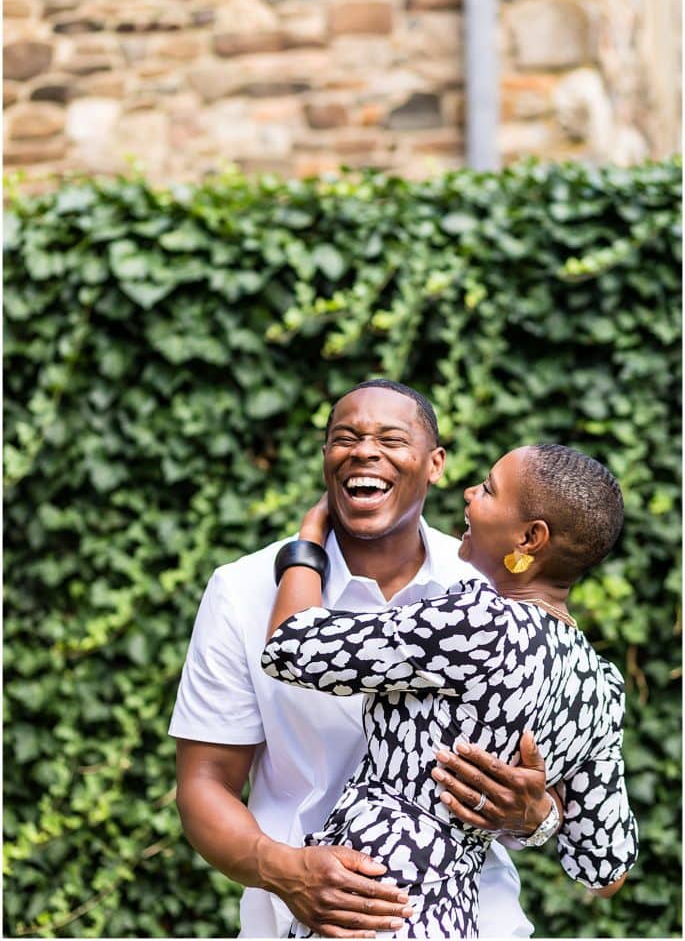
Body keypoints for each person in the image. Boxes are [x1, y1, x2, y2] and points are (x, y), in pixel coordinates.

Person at [170, 380, 610, 938]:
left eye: (391, 438)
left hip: (476, 919)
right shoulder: (244, 589)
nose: (364, 450)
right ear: (327, 457)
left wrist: (536, 817)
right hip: (302, 921)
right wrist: (286, 872)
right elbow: (203, 782)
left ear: (435, 464)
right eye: (344, 437)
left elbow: (574, 816)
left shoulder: (491, 580)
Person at [261, 431, 638, 938]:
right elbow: (605, 869)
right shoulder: (598, 686)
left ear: (530, 540)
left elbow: (291, 647)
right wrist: (541, 818)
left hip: (369, 899)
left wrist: (307, 540)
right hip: (451, 916)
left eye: (488, 489)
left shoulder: (478, 622)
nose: (467, 494)